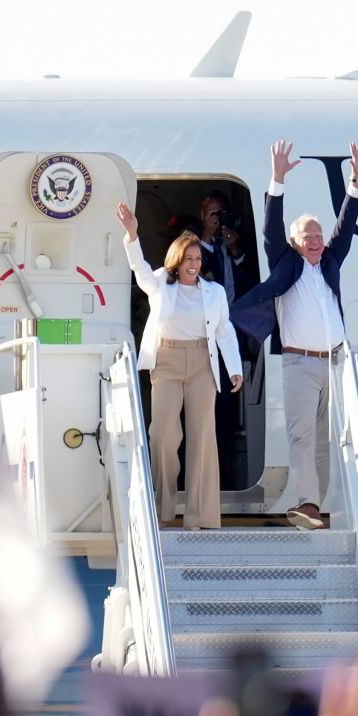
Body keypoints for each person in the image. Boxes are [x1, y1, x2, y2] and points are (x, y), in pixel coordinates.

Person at [231, 140, 358, 531]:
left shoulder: (330, 263)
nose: (317, 240)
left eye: (319, 235)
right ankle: (307, 501)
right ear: (294, 242)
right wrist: (277, 180)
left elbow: (347, 227)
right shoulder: (286, 263)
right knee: (302, 435)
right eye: (309, 236)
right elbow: (271, 228)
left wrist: (355, 182)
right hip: (300, 362)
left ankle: (318, 507)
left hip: (335, 362)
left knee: (326, 440)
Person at [116, 202, 244, 530]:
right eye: (189, 259)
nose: (194, 264)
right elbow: (140, 270)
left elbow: (224, 331)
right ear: (177, 260)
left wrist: (234, 368)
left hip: (203, 361)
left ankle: (198, 516)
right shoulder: (161, 282)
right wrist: (132, 235)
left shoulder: (214, 292)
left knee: (202, 436)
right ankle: (163, 506)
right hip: (168, 361)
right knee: (162, 433)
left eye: (198, 259)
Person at [197, 190, 248, 303]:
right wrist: (208, 235)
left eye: (221, 213)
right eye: (213, 214)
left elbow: (248, 278)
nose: (218, 219)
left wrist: (235, 250)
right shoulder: (195, 247)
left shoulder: (234, 240)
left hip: (236, 310)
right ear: (203, 215)